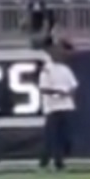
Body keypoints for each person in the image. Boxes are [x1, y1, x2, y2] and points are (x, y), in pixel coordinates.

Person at [37, 40, 78, 172]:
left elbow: (73, 86)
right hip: (53, 108)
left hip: (66, 107)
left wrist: (68, 93)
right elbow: (43, 88)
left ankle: (50, 160)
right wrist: (58, 92)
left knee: (64, 137)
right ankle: (55, 162)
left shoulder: (65, 69)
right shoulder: (47, 69)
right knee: (53, 137)